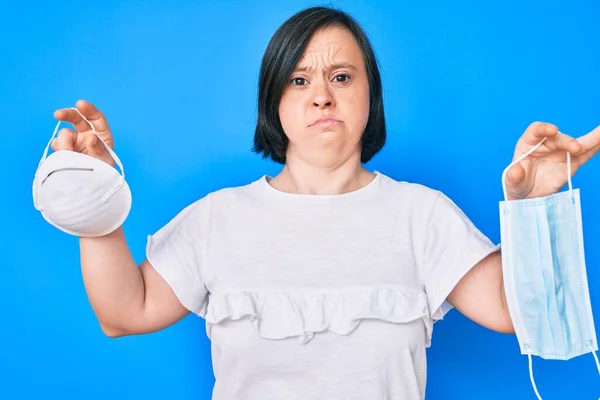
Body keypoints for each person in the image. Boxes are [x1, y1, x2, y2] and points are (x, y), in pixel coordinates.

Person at [48, 6, 600, 400]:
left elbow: (516, 311)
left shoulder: (421, 215)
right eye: (298, 79)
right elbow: (123, 313)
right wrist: (92, 197)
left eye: (341, 76)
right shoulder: (217, 218)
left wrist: (534, 208)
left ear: (370, 98)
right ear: (274, 101)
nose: (321, 95)